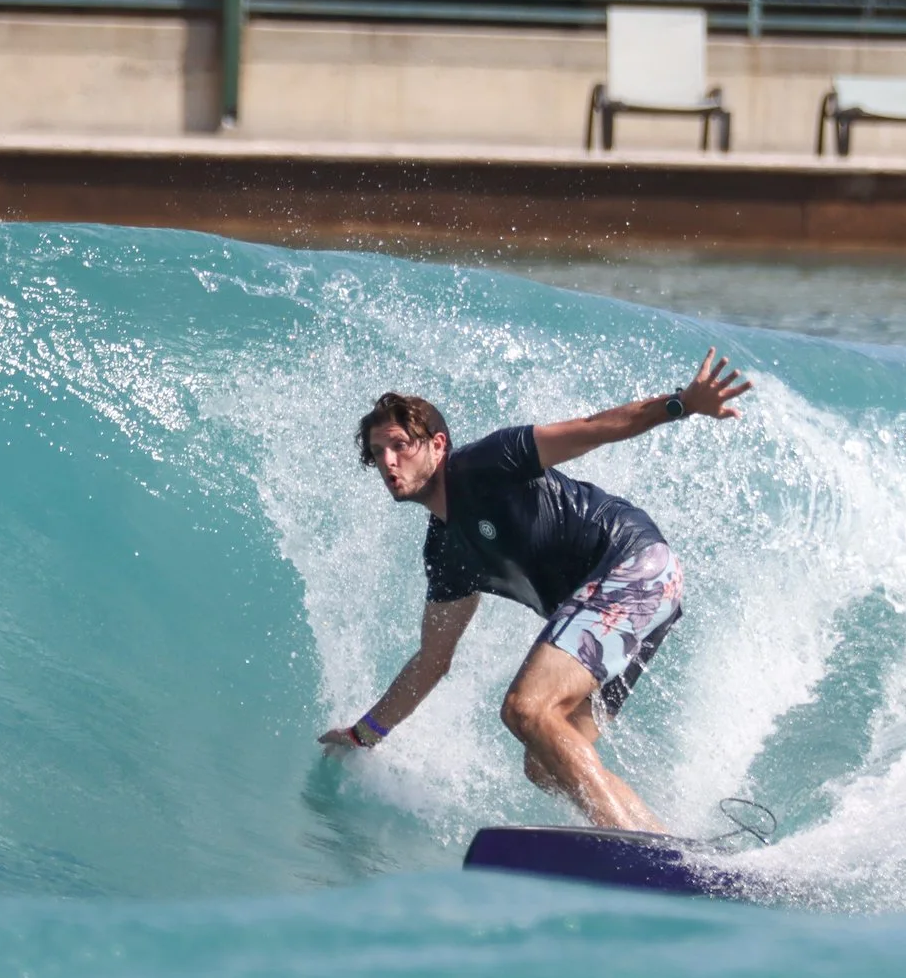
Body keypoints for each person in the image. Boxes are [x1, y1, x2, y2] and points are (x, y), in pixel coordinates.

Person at [319, 352, 750, 833]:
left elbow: (593, 428)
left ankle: (634, 851)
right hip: (641, 594)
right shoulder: (445, 554)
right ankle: (665, 849)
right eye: (377, 453)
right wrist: (363, 735)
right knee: (545, 761)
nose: (388, 462)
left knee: (526, 707)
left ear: (437, 445)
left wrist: (683, 403)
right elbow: (431, 661)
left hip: (634, 564)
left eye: (399, 446)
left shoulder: (487, 463)